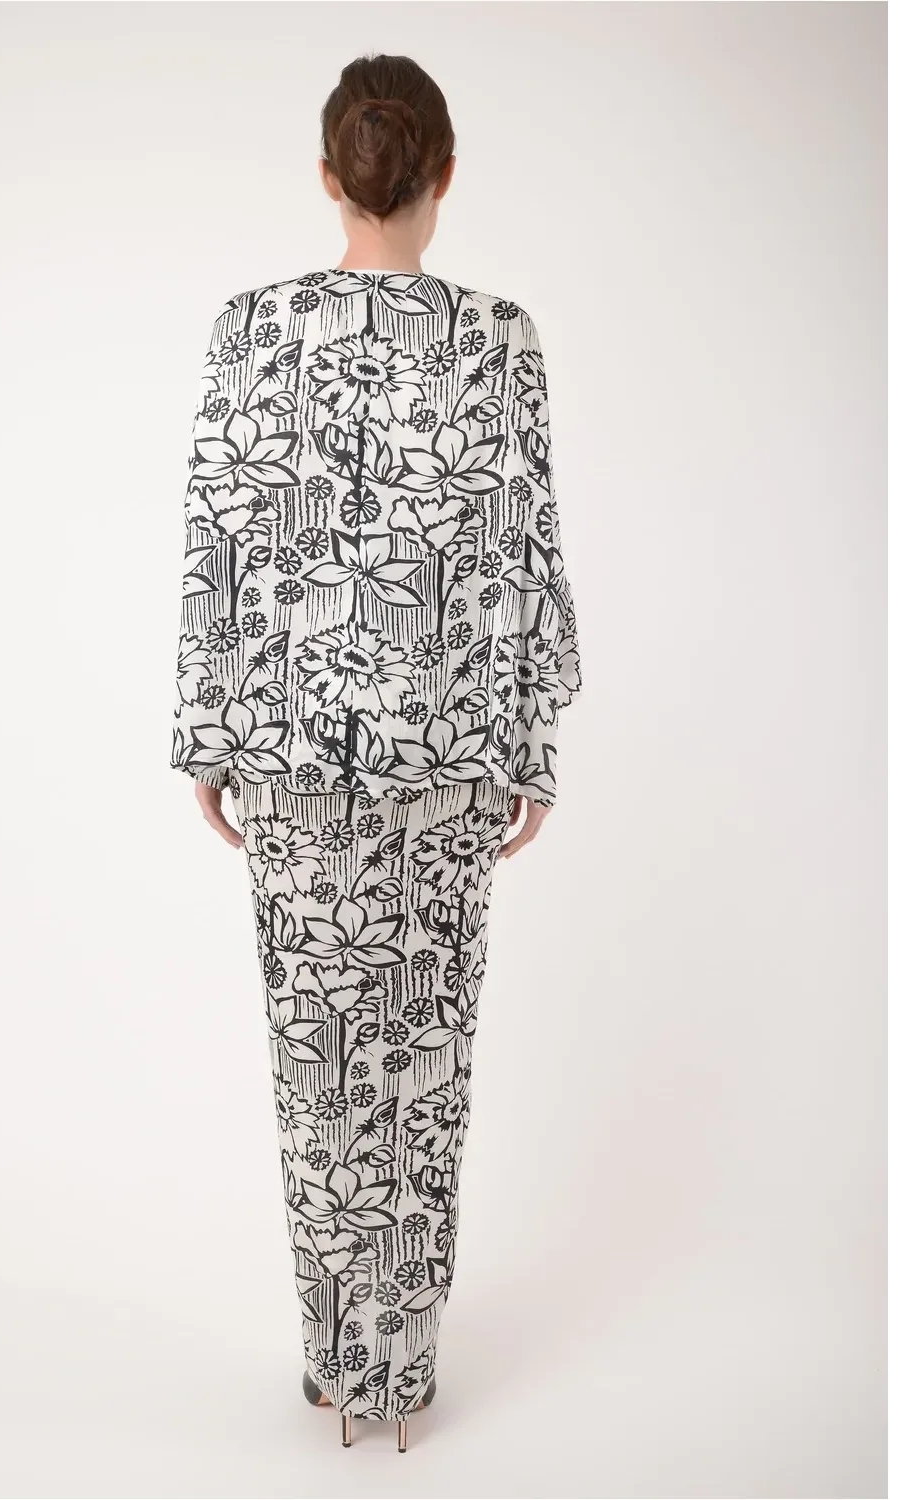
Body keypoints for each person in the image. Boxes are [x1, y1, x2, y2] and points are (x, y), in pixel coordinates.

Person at [171, 53, 580, 1451]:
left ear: (330, 177)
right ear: (444, 175)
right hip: (450, 752)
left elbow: (222, 538)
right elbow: (527, 552)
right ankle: (404, 1377)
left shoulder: (250, 331)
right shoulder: (502, 340)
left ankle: (338, 1369)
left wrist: (212, 734)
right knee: (425, 1063)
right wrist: (531, 743)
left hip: (293, 754)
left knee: (320, 1063)